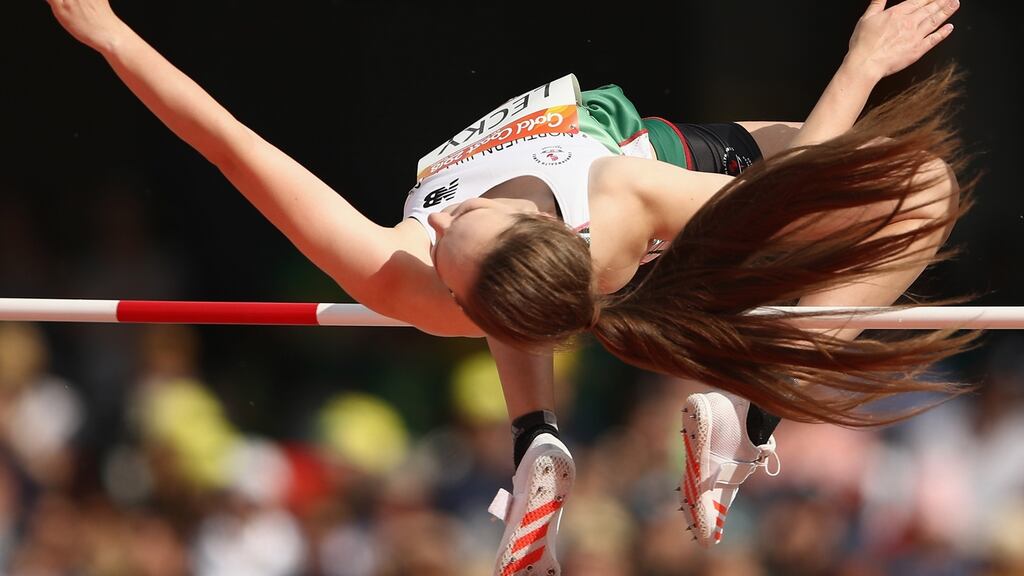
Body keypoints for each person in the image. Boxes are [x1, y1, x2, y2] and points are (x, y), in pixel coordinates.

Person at [43, 0, 969, 572]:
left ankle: (539, 437)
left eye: (451, 232)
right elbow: (794, 182)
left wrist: (114, 37)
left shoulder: (404, 278)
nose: (442, 220)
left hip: (637, 224)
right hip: (647, 172)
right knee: (921, 190)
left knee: (865, 195)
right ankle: (751, 410)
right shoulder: (612, 194)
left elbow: (231, 145)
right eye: (458, 228)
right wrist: (861, 62)